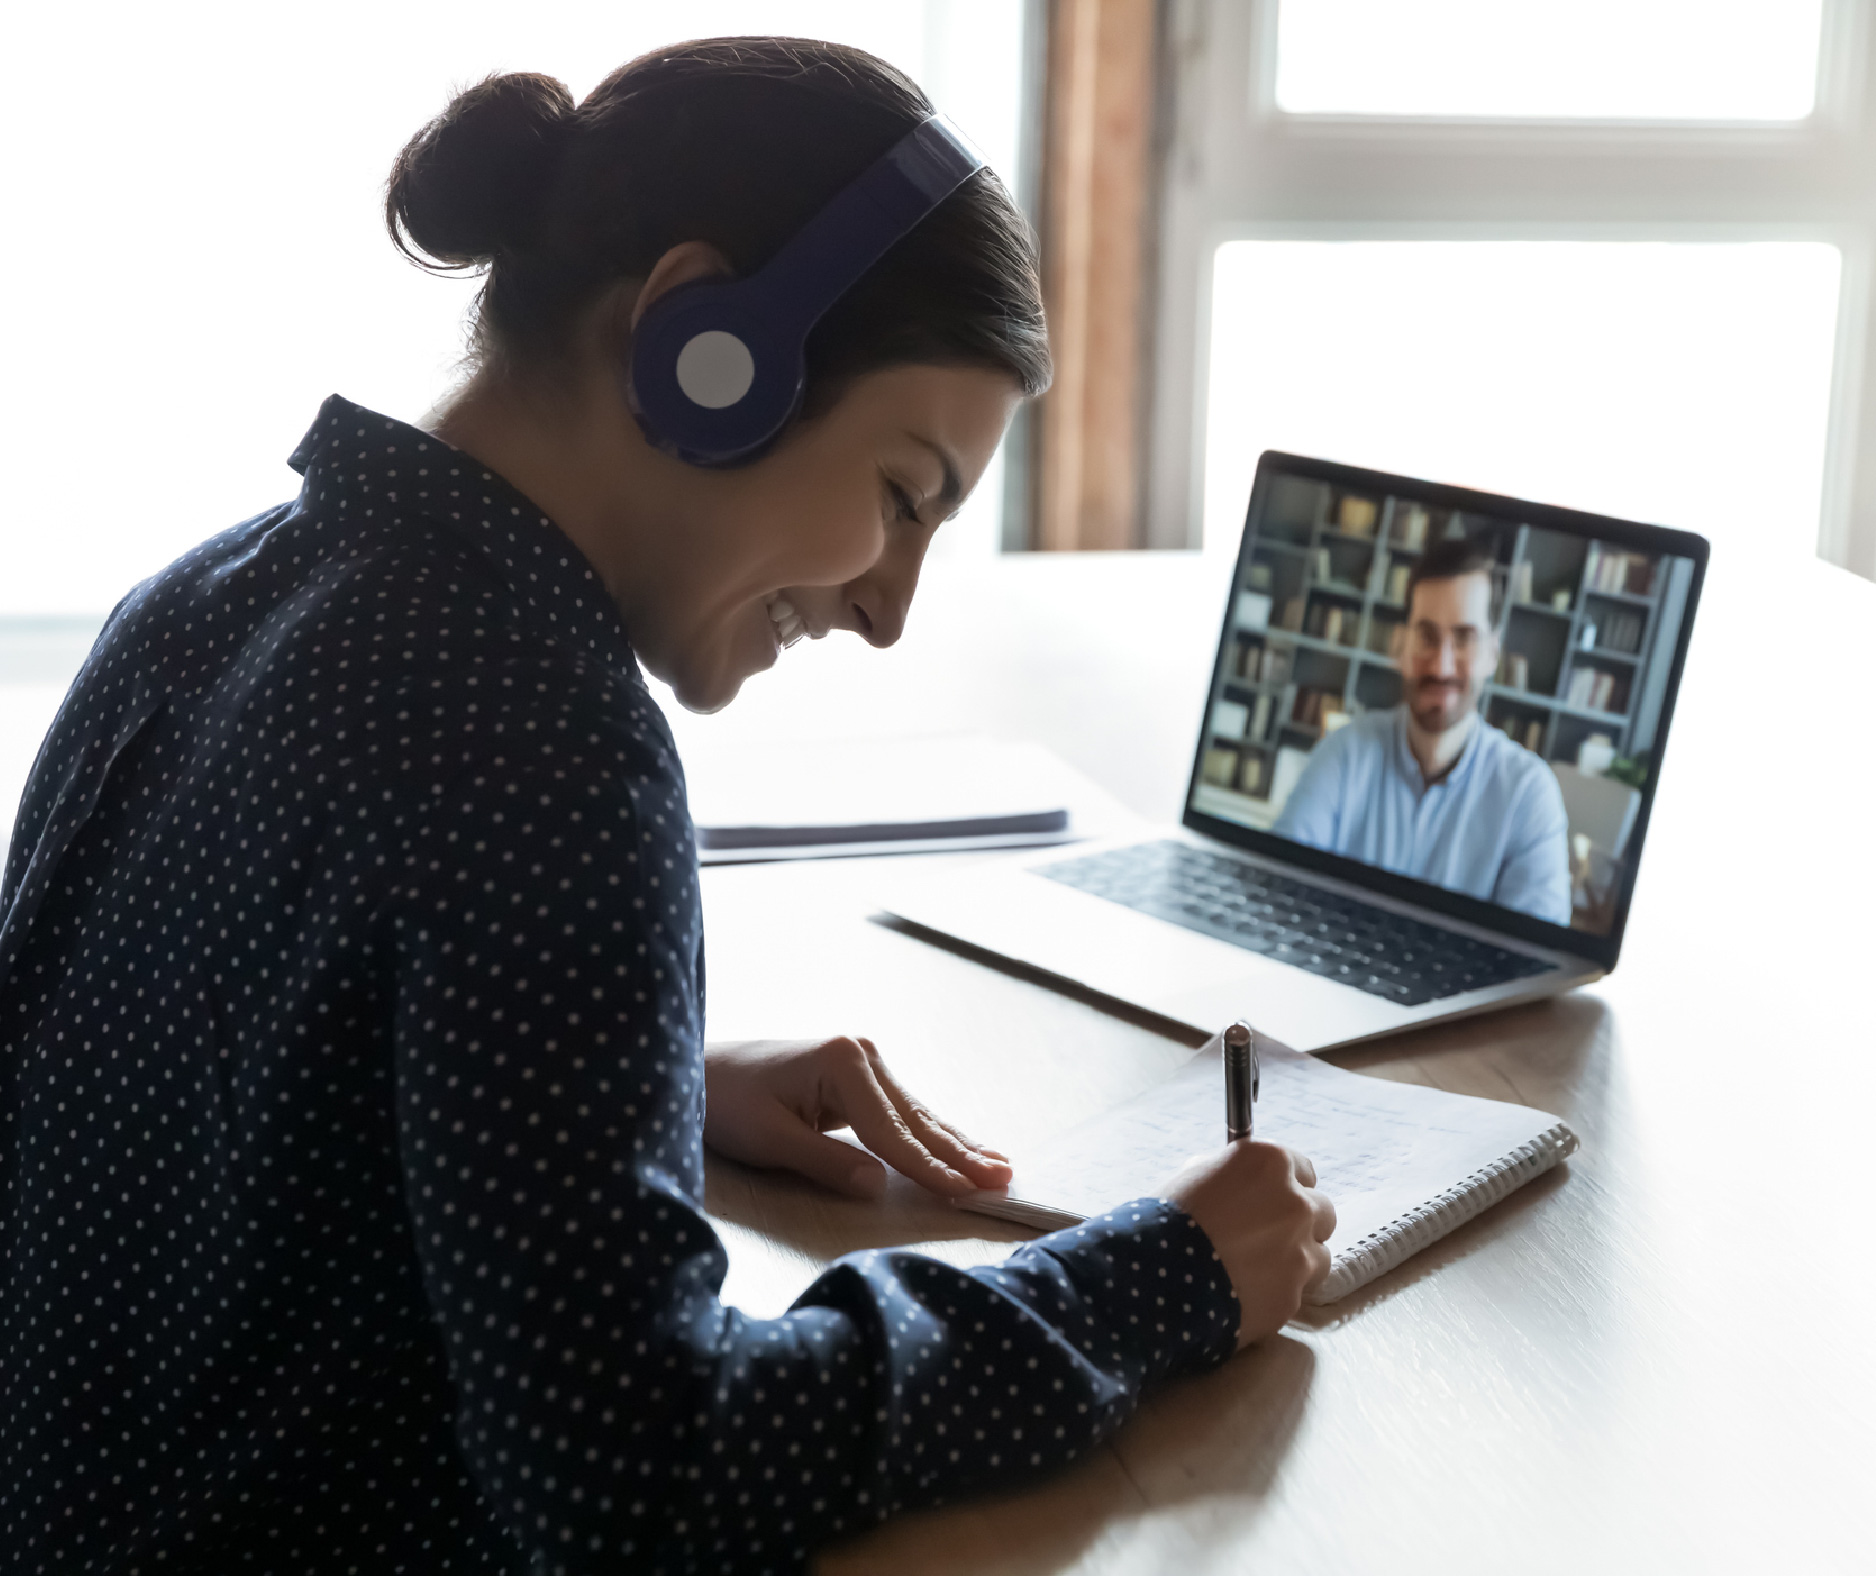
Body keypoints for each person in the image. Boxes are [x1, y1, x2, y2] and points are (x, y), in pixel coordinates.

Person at [0, 40, 1336, 1575]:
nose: (891, 608)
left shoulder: (202, 604)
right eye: (905, 496)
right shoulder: (539, 742)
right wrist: (1155, 1280)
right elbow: (647, 1476)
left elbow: (166, 1092)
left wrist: (620, 1100)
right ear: (704, 342)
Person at [1272, 537, 1572, 924]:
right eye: (1427, 636)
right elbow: (1276, 891)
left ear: (1492, 655)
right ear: (1401, 646)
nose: (1442, 665)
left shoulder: (1529, 794)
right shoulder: (1343, 753)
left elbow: (1533, 968)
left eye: (1464, 637)